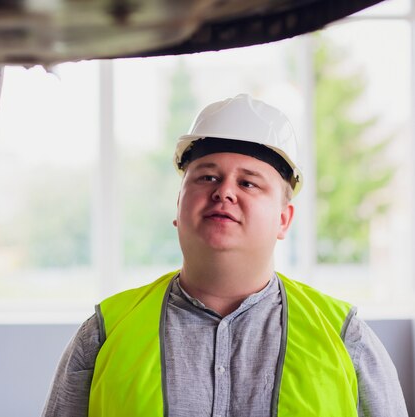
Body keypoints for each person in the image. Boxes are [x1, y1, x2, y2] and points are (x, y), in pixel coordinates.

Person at [42, 94, 408, 417]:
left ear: (283, 219)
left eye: (248, 182)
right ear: (178, 205)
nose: (224, 193)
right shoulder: (105, 334)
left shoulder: (345, 338)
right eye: (206, 177)